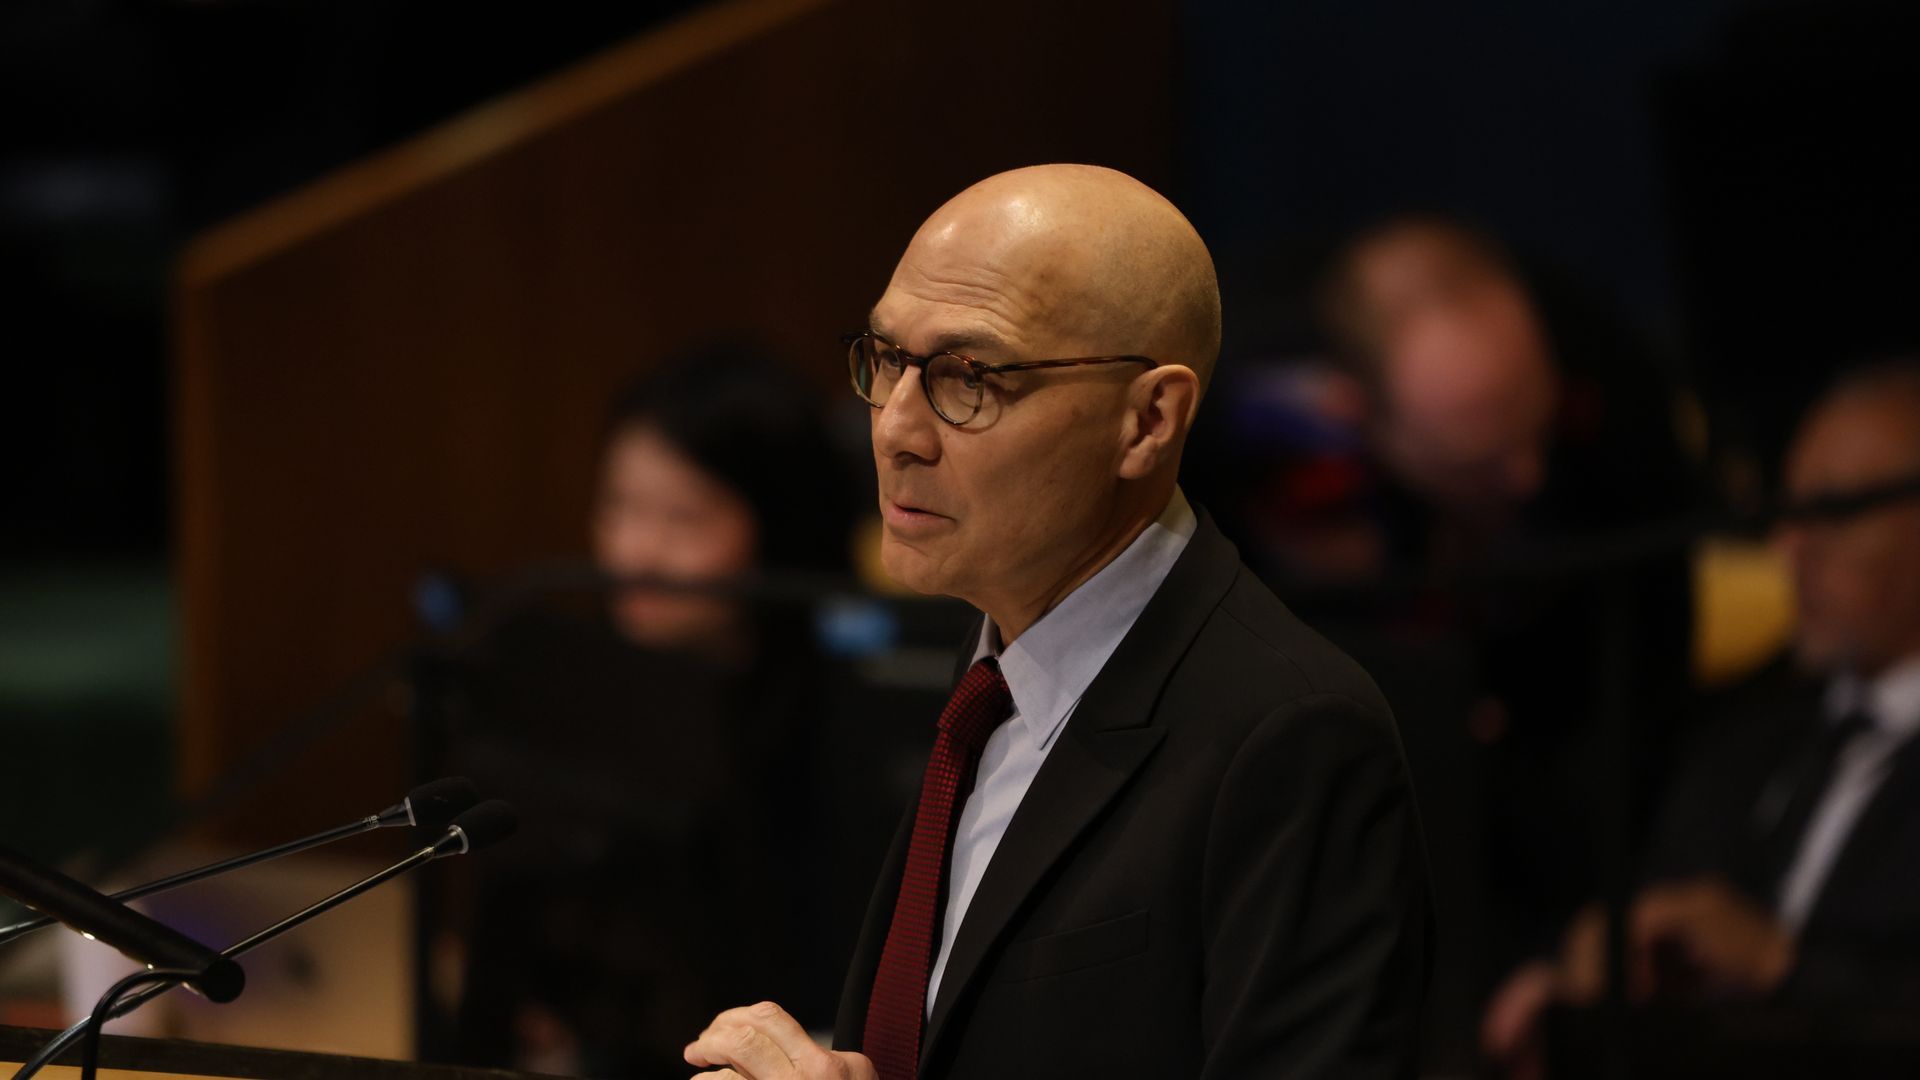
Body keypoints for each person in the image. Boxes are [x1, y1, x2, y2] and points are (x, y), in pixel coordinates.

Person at [682, 165, 1430, 1080]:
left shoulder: (1295, 736)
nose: (895, 430)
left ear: (1147, 420)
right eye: (887, 361)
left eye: (967, 378)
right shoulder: (993, 659)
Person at [1481, 361, 1920, 1076]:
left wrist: (1784, 966)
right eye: (1787, 508)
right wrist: (1579, 987)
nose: (1788, 545)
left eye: (1833, 511)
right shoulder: (1744, 739)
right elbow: (1655, 915)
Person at [446, 345, 856, 1076]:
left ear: (778, 524)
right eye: (621, 506)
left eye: (682, 518)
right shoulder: (574, 688)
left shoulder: (841, 721)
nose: (636, 552)